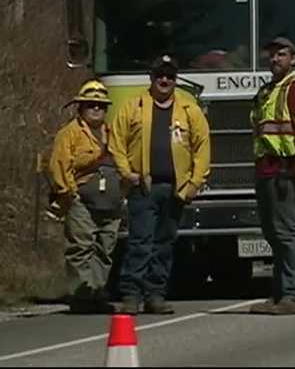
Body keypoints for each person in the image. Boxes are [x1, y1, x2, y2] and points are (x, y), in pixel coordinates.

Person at [110, 55, 211, 315]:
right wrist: (127, 173)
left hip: (175, 189)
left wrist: (193, 184)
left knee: (164, 244)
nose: (164, 80)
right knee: (139, 242)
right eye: (159, 75)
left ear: (176, 80)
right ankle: (131, 295)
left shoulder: (190, 110)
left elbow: (202, 149)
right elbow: (117, 144)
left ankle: (156, 294)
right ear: (151, 78)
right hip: (143, 187)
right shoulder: (132, 107)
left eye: (170, 76)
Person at [248, 37, 295, 315]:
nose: (275, 59)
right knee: (273, 234)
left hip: (285, 170)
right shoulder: (267, 91)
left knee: (287, 233)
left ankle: (294, 295)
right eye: (272, 55)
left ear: (293, 59)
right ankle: (279, 294)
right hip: (266, 170)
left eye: (282, 54)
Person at [47, 79, 122, 314]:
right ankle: (81, 295)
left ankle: (97, 292)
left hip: (112, 202)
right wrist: (70, 194)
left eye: (101, 105)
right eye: (91, 104)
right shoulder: (68, 134)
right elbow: (59, 166)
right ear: (80, 107)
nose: (96, 109)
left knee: (105, 248)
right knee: (81, 248)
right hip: (81, 199)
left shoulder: (113, 134)